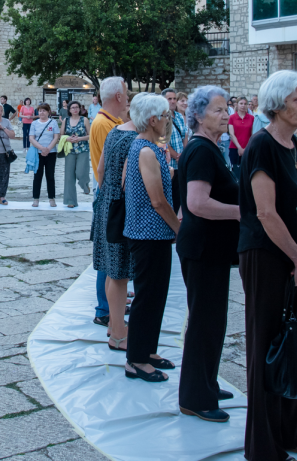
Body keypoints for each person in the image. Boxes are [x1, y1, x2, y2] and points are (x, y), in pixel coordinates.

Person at [238, 70, 297, 461]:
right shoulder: (261, 145)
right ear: (278, 103)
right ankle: (263, 448)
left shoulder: (293, 144)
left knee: (291, 344)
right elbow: (266, 214)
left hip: (290, 259)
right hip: (268, 258)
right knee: (264, 349)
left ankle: (288, 434)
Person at [176, 86, 240, 421]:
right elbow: (198, 204)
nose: (225, 114)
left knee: (214, 321)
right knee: (203, 322)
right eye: (218, 110)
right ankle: (194, 398)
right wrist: (241, 211)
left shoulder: (211, 148)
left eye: (225, 108)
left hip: (210, 249)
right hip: (202, 248)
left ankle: (207, 383)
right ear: (199, 116)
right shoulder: (201, 150)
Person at [122, 93, 180, 383]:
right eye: (166, 115)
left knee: (156, 296)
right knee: (147, 297)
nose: (168, 120)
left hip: (153, 233)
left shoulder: (151, 148)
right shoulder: (144, 150)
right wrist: (179, 229)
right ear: (153, 119)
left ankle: (148, 350)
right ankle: (136, 360)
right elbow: (157, 201)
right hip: (147, 234)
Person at [90, 75, 130, 327]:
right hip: (110, 193)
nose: (128, 98)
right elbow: (110, 166)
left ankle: (111, 305)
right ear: (118, 96)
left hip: (109, 192)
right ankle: (104, 309)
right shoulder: (106, 125)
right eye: (126, 93)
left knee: (111, 253)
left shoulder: (113, 121)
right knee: (108, 255)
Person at [29, 103, 61, 207]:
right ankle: (36, 198)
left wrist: (48, 148)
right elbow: (31, 138)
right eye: (40, 110)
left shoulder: (53, 122)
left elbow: (56, 137)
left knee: (50, 175)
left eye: (44, 110)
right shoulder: (34, 123)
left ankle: (51, 198)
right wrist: (41, 148)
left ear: (48, 112)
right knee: (37, 176)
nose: (42, 113)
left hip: (51, 152)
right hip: (38, 152)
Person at [61, 101, 92, 208]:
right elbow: (61, 135)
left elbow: (90, 135)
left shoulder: (85, 120)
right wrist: (68, 138)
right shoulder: (66, 120)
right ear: (69, 110)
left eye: (77, 107)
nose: (75, 109)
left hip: (82, 149)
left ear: (79, 109)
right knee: (69, 176)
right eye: (73, 107)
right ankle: (70, 200)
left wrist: (80, 138)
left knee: (81, 173)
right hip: (69, 150)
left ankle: (84, 184)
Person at [227, 96, 254, 175]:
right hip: (234, 148)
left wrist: (246, 148)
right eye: (241, 103)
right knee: (236, 172)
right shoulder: (231, 118)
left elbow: (252, 134)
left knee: (247, 171)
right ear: (237, 105)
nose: (243, 105)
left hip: (248, 148)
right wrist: (239, 148)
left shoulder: (252, 118)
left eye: (245, 104)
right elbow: (231, 134)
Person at [163, 88, 185, 170]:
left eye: (174, 98)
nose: (173, 101)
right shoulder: (162, 117)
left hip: (181, 164)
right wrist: (177, 156)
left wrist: (184, 155)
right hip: (169, 164)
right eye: (169, 99)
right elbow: (162, 140)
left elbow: (184, 136)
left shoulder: (179, 116)